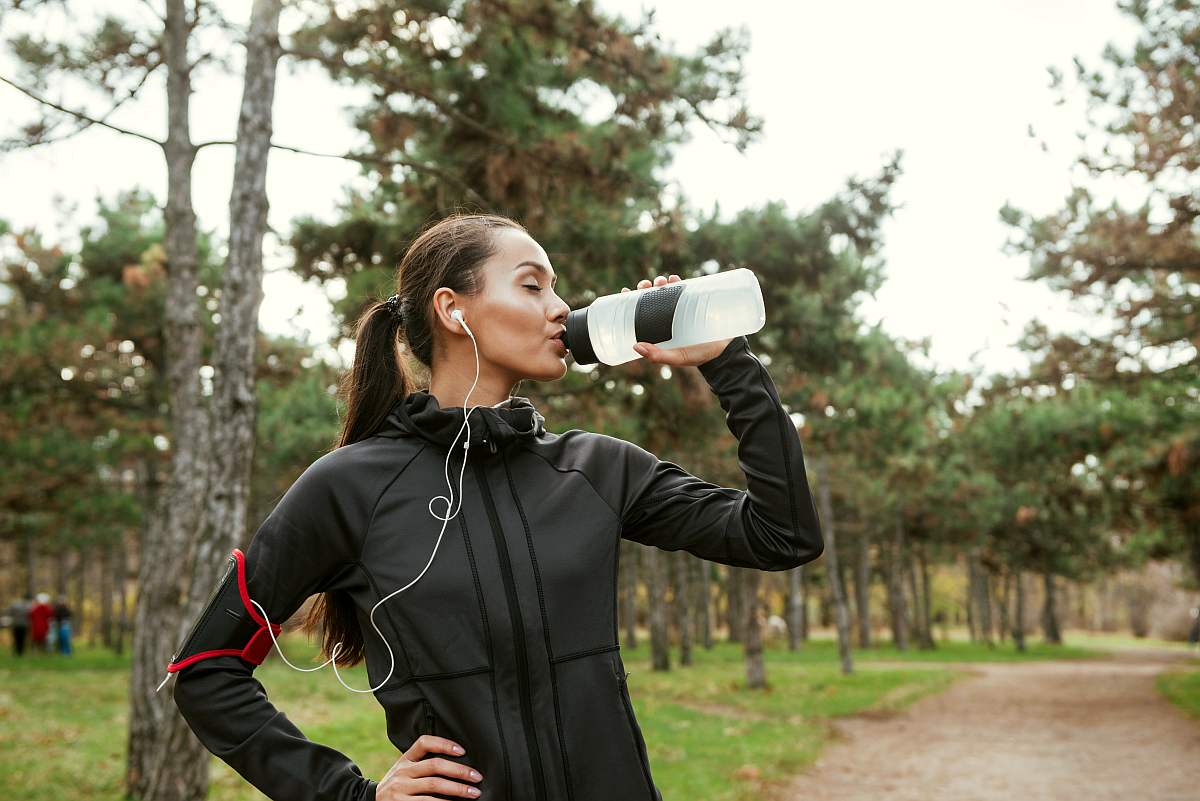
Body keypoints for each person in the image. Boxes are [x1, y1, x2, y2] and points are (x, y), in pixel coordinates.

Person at [169, 213, 825, 801]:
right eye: (533, 285)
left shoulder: (595, 468)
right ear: (453, 310)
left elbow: (783, 534)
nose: (561, 308)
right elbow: (205, 670)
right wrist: (348, 795)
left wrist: (727, 360)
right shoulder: (348, 487)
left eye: (555, 287)